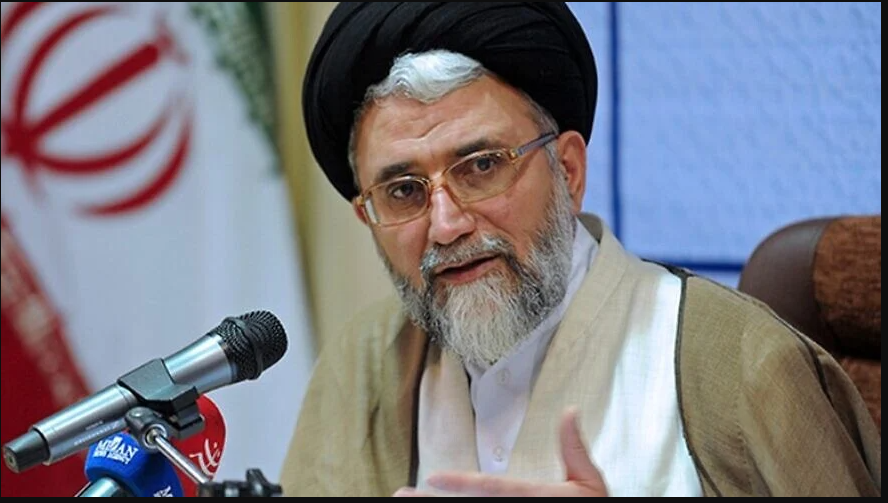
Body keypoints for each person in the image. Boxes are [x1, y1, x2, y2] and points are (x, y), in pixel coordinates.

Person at [280, 2, 880, 497]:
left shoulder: (744, 364)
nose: (446, 225)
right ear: (367, 215)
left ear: (567, 170)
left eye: (482, 166)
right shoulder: (360, 365)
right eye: (404, 191)